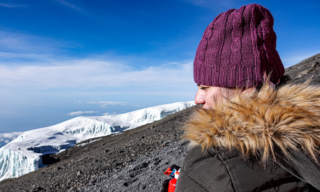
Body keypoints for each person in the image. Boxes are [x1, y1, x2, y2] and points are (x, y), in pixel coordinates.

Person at [174, 3, 320, 192]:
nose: (197, 98)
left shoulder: (210, 165)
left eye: (204, 87)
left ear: (246, 88)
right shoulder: (311, 134)